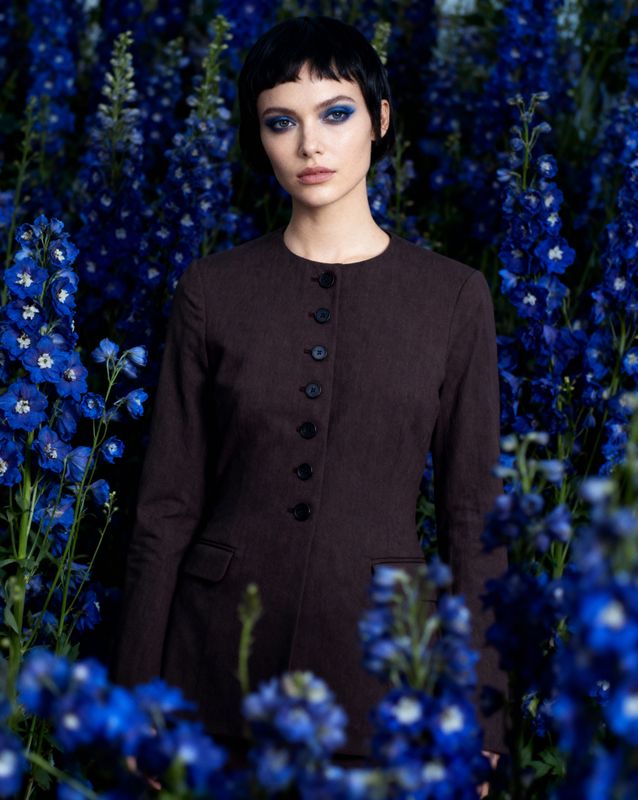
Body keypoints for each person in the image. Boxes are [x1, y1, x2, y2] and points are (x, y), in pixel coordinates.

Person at [113, 15, 506, 774]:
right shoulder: (212, 291)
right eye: (280, 121)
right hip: (209, 671)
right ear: (258, 137)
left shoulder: (454, 298)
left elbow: (473, 518)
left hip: (383, 676)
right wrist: (133, 697)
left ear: (379, 120)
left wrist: (483, 716)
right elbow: (164, 508)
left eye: (336, 113)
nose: (309, 145)